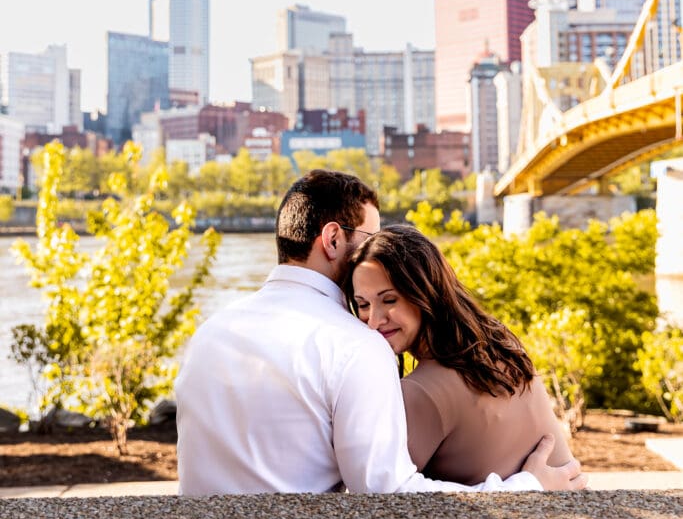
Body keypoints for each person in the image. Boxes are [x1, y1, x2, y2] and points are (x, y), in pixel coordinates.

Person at [176, 170, 586, 495]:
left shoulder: (209, 333)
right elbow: (385, 494)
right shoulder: (353, 344)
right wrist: (523, 487)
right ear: (334, 239)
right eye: (371, 237)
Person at [347, 224, 575, 485]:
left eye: (389, 300)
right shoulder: (500, 344)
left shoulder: (421, 392)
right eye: (363, 305)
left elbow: (384, 497)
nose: (373, 321)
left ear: (425, 292)